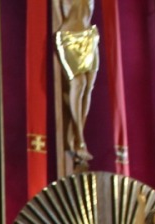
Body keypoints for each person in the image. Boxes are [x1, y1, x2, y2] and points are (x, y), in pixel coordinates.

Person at [55, 0, 99, 170]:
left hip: (89, 36)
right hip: (69, 37)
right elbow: (56, 12)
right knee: (78, 83)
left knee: (88, 88)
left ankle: (76, 137)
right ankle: (79, 141)